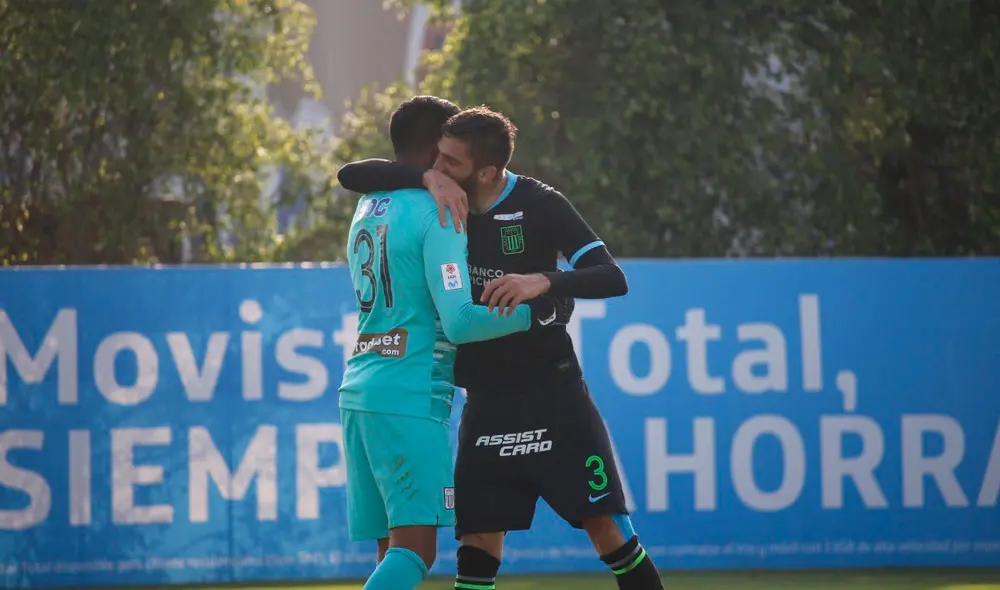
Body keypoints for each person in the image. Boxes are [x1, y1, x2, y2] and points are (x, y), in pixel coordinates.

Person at [338, 105, 664, 590]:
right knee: (475, 553)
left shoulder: (540, 203)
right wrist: (431, 177)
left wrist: (543, 282)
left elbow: (613, 278)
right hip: (485, 405)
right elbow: (353, 172)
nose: (440, 169)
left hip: (552, 395)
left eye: (451, 163)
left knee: (610, 532)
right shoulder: (440, 204)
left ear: (487, 172)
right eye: (436, 158)